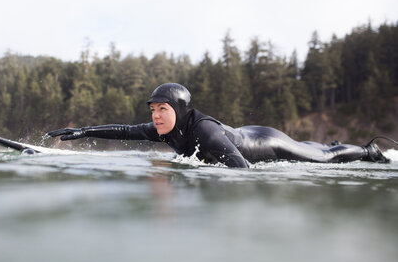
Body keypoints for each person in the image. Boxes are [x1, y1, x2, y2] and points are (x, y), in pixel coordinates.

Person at [47, 83, 390, 168]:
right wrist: (81, 131)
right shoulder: (165, 129)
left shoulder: (205, 133)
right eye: (153, 109)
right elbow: (123, 131)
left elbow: (242, 169)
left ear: (179, 110)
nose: (154, 116)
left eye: (162, 109)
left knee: (323, 157)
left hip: (265, 145)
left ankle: (370, 151)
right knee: (316, 147)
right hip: (246, 131)